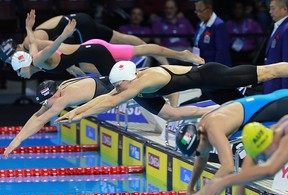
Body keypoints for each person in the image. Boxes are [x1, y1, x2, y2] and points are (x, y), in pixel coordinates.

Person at [3, 76, 214, 158]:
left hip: (123, 92)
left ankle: (203, 96)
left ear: (55, 94)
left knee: (171, 111)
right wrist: (17, 139)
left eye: (47, 101)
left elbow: (41, 119)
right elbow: (38, 114)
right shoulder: (60, 89)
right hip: (117, 91)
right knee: (170, 115)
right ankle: (211, 110)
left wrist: (18, 141)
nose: (46, 106)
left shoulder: (64, 96)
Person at [54, 59, 288, 125]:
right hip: (208, 87)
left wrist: (79, 115)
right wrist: (73, 112)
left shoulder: (142, 82)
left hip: (212, 74)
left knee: (268, 72)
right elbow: (106, 97)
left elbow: (109, 102)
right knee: (246, 112)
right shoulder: (130, 83)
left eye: (119, 85)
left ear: (129, 79)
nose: (116, 89)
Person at [11, 10, 204, 80]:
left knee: (123, 81)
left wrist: (64, 35)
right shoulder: (34, 55)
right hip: (93, 48)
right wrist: (29, 27)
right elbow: (34, 42)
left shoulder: (38, 59)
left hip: (95, 52)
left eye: (19, 71)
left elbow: (52, 47)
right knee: (139, 50)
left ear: (26, 65)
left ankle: (168, 70)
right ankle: (181, 57)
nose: (19, 75)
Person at [180, 88, 288, 195]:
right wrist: (190, 188)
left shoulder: (213, 128)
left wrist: (208, 190)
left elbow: (228, 167)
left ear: (200, 139)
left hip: (281, 106)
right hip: (278, 100)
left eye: (197, 152)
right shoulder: (203, 127)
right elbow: (252, 153)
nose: (200, 155)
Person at [0, 11, 168, 64]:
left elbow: (56, 47)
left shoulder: (30, 43)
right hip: (79, 20)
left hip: (77, 28)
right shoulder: (29, 43)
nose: (12, 64)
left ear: (16, 51)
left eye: (10, 61)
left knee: (89, 60)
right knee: (120, 38)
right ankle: (160, 58)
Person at [151, 0, 195, 65]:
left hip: (185, 50)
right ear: (164, 9)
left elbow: (194, 38)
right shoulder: (158, 23)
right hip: (168, 52)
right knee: (161, 57)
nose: (169, 11)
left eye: (171, 8)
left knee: (196, 54)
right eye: (167, 8)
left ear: (176, 9)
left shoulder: (184, 21)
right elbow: (157, 42)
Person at [193, 0, 232, 66]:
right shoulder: (200, 24)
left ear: (209, 8)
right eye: (197, 11)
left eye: (200, 11)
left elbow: (221, 52)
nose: (198, 14)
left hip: (215, 68)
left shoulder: (219, 25)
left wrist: (216, 70)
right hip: (201, 66)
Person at [262, 0, 288, 94]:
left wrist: (285, 92)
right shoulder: (279, 26)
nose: (270, 11)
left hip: (279, 86)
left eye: (273, 8)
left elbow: (286, 62)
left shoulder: (286, 28)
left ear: (285, 9)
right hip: (272, 83)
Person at [226, 1, 263, 65]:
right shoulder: (228, 25)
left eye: (240, 8)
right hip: (234, 54)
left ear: (244, 10)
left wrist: (256, 52)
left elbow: (261, 41)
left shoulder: (252, 23)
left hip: (250, 53)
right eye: (235, 8)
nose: (237, 11)